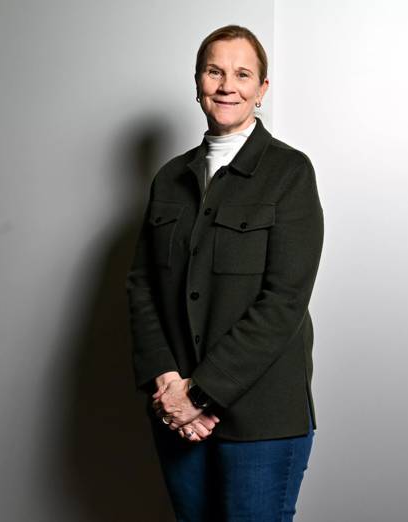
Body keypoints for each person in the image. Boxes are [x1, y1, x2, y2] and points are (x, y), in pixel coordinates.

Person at [126, 24, 324, 521]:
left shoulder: (291, 173)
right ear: (197, 82)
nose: (226, 85)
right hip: (175, 414)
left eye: (242, 74)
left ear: (262, 89)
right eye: (214, 71)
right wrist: (168, 385)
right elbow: (142, 285)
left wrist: (198, 394)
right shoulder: (169, 178)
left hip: (262, 419)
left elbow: (284, 301)